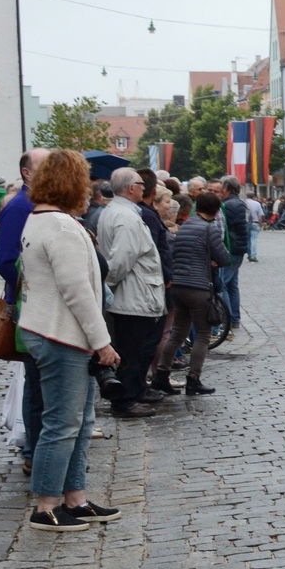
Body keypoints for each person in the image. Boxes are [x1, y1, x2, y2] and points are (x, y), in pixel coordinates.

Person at [15, 149, 122, 532]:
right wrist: (102, 342)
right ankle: (47, 504)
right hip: (62, 334)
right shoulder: (60, 227)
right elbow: (78, 291)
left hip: (53, 330)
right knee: (62, 423)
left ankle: (74, 498)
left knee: (78, 420)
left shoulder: (41, 219)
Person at [97, 168, 167, 416]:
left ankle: (135, 391)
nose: (144, 187)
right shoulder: (126, 217)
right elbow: (120, 260)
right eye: (140, 183)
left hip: (135, 293)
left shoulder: (120, 212)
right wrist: (109, 285)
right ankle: (125, 399)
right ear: (129, 188)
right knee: (132, 351)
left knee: (137, 349)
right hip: (133, 296)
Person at [0, 148, 50, 473]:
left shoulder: (40, 203)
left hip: (42, 304)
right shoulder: (20, 206)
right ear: (27, 173)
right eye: (46, 166)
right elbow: (5, 260)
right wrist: (33, 287)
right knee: (35, 381)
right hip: (30, 305)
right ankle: (33, 451)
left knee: (42, 381)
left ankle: (39, 447)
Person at [152, 191, 229, 396]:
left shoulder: (186, 226)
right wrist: (212, 259)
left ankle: (161, 375)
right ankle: (193, 379)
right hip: (198, 286)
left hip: (178, 286)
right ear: (215, 210)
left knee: (177, 332)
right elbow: (223, 257)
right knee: (203, 334)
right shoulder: (208, 229)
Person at [218, 176, 250, 327]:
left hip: (231, 248)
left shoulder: (228, 205)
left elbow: (226, 228)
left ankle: (228, 319)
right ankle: (235, 318)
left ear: (227, 188)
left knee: (223, 284)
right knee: (232, 285)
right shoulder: (239, 203)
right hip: (238, 248)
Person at [244, 193, 264, 260]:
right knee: (254, 239)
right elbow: (260, 215)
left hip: (246, 223)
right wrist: (260, 224)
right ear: (253, 197)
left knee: (247, 240)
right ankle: (253, 255)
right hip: (255, 222)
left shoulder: (244, 203)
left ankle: (249, 254)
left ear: (246, 196)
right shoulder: (257, 204)